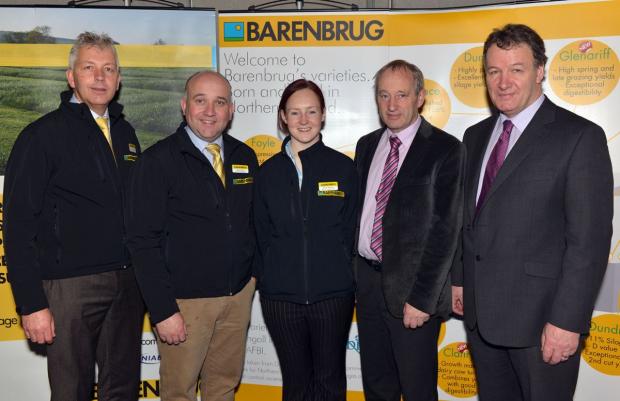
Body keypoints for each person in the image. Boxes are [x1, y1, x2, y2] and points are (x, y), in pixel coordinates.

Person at [451, 24, 613, 401]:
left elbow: (588, 243)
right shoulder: (475, 136)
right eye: (494, 71)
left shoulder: (579, 137)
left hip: (542, 323)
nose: (503, 82)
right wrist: (460, 277)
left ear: (541, 71)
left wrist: (567, 322)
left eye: (517, 69)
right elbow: (467, 217)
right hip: (481, 319)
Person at [4, 32, 143, 401]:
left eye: (108, 69)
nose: (100, 77)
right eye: (89, 68)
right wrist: (31, 303)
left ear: (119, 79)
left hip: (128, 284)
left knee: (123, 391)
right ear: (71, 77)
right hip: (69, 288)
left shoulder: (127, 135)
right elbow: (17, 226)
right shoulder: (41, 137)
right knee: (71, 392)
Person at [127, 70, 258, 401]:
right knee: (179, 393)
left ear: (231, 110)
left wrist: (252, 277)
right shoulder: (158, 161)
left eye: (220, 102)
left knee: (223, 388)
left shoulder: (245, 157)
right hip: (185, 304)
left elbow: (252, 222)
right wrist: (163, 310)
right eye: (201, 101)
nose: (210, 111)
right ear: (185, 106)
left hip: (237, 297)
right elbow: (143, 242)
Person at [354, 60, 465, 401]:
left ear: (420, 97)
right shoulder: (366, 145)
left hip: (414, 294)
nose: (391, 104)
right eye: (384, 95)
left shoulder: (446, 149)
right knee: (377, 386)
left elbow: (445, 233)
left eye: (401, 95)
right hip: (368, 286)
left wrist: (422, 299)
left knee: (417, 391)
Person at [253, 79, 358, 401]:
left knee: (329, 384)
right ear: (283, 117)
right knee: (296, 386)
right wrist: (270, 277)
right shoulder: (267, 173)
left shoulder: (344, 168)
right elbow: (260, 233)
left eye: (311, 111)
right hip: (281, 300)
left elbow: (352, 231)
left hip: (333, 297)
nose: (303, 120)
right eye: (295, 112)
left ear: (323, 115)